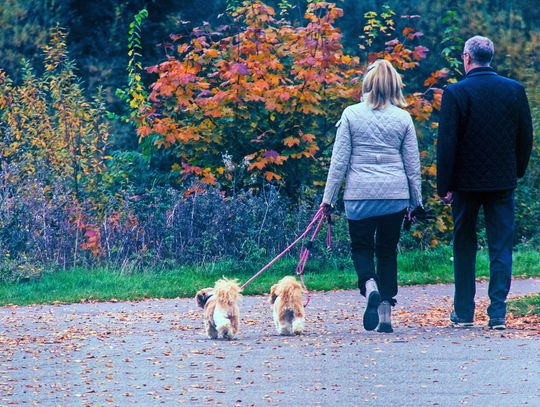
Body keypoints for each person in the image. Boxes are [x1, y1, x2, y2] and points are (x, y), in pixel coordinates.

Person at [437, 36, 533, 330]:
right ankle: (498, 313)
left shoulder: (455, 93)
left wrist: (445, 185)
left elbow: (447, 144)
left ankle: (464, 312)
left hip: (465, 183)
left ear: (467, 57)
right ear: (490, 57)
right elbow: (526, 138)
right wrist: (516, 171)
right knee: (500, 246)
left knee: (464, 244)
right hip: (502, 181)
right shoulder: (514, 90)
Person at [321, 59, 422, 333]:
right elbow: (413, 166)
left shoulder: (351, 114)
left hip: (359, 196)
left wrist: (327, 199)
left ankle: (369, 285)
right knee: (387, 251)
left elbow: (338, 162)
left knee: (361, 248)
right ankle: (386, 317)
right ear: (393, 85)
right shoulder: (404, 118)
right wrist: (416, 202)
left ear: (367, 84)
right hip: (395, 195)